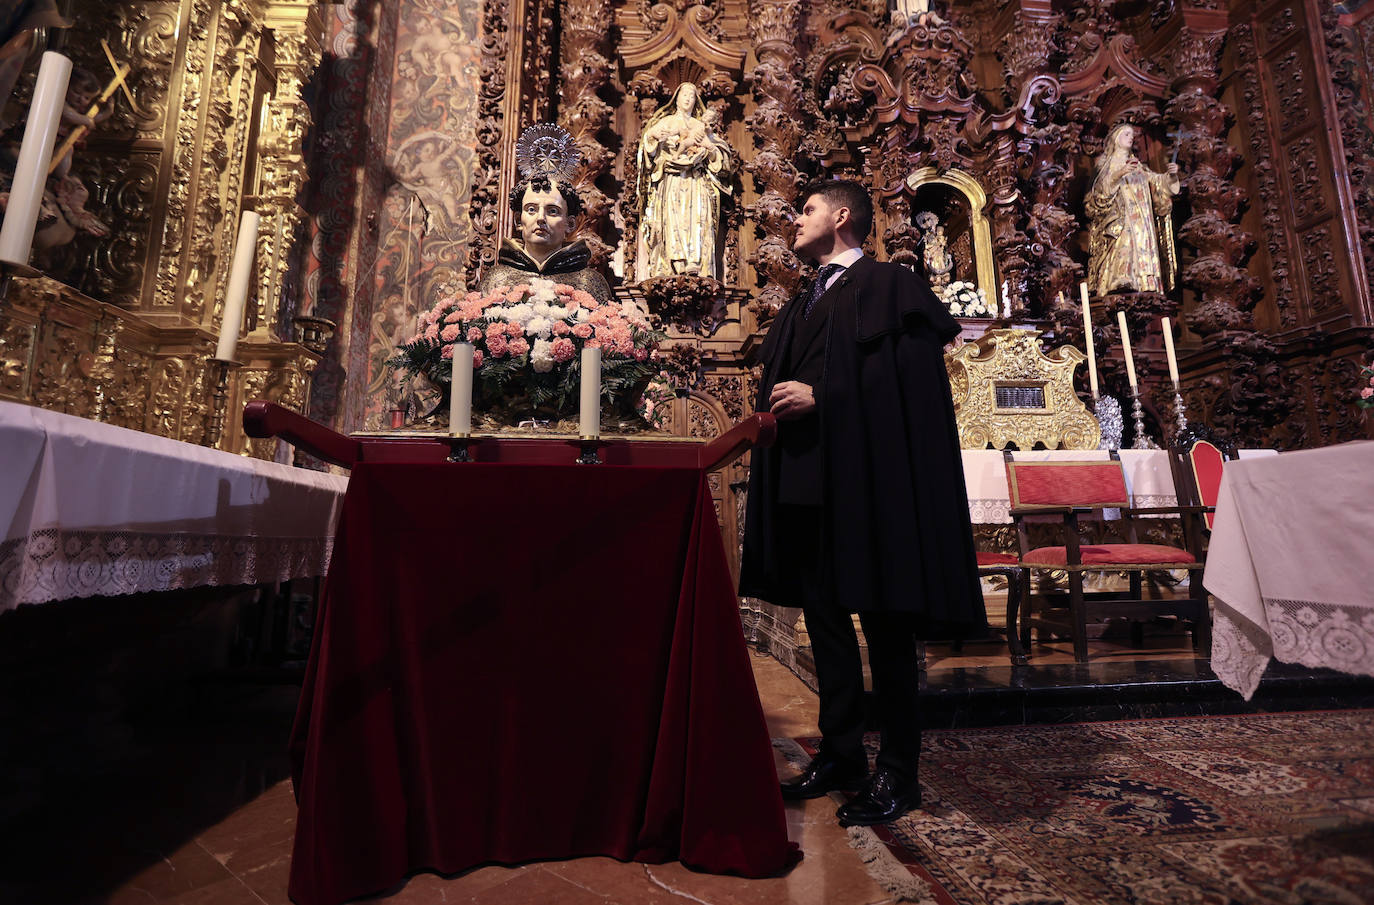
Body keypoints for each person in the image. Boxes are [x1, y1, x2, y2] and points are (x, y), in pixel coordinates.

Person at [740, 179, 986, 827]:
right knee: (823, 624)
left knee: (887, 627)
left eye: (809, 209)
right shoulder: (803, 300)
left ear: (843, 216)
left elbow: (910, 390)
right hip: (807, 483)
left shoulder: (891, 288)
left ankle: (899, 772)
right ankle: (843, 753)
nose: (796, 219)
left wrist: (828, 396)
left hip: (872, 486)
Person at [635, 82, 732, 282]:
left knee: (696, 218)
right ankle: (674, 263)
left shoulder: (700, 126)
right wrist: (653, 137)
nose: (688, 98)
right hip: (671, 180)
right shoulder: (667, 122)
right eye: (684, 94)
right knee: (673, 220)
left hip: (696, 182)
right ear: (676, 98)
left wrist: (709, 148)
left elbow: (719, 157)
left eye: (692, 95)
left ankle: (695, 263)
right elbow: (649, 150)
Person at [477, 174, 611, 302]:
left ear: (569, 224)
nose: (541, 218)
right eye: (531, 209)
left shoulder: (589, 282)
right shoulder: (496, 279)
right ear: (518, 221)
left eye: (553, 211)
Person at [1085, 122, 1180, 295]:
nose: (1131, 138)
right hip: (1120, 216)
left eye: (1132, 135)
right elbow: (1098, 192)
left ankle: (1144, 281)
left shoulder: (1138, 166)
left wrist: (1170, 176)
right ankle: (1120, 277)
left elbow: (1156, 182)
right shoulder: (1106, 164)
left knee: (1141, 242)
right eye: (1126, 134)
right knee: (1123, 242)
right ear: (1116, 138)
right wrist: (1119, 173)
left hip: (1141, 219)